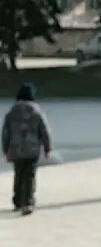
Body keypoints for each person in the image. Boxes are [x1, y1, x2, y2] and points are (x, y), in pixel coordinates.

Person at [3, 83, 53, 216]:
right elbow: (44, 131)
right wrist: (48, 148)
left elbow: (5, 133)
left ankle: (18, 202)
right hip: (32, 149)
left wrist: (5, 150)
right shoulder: (37, 111)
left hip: (15, 149)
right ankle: (28, 202)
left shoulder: (11, 112)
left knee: (18, 175)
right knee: (30, 176)